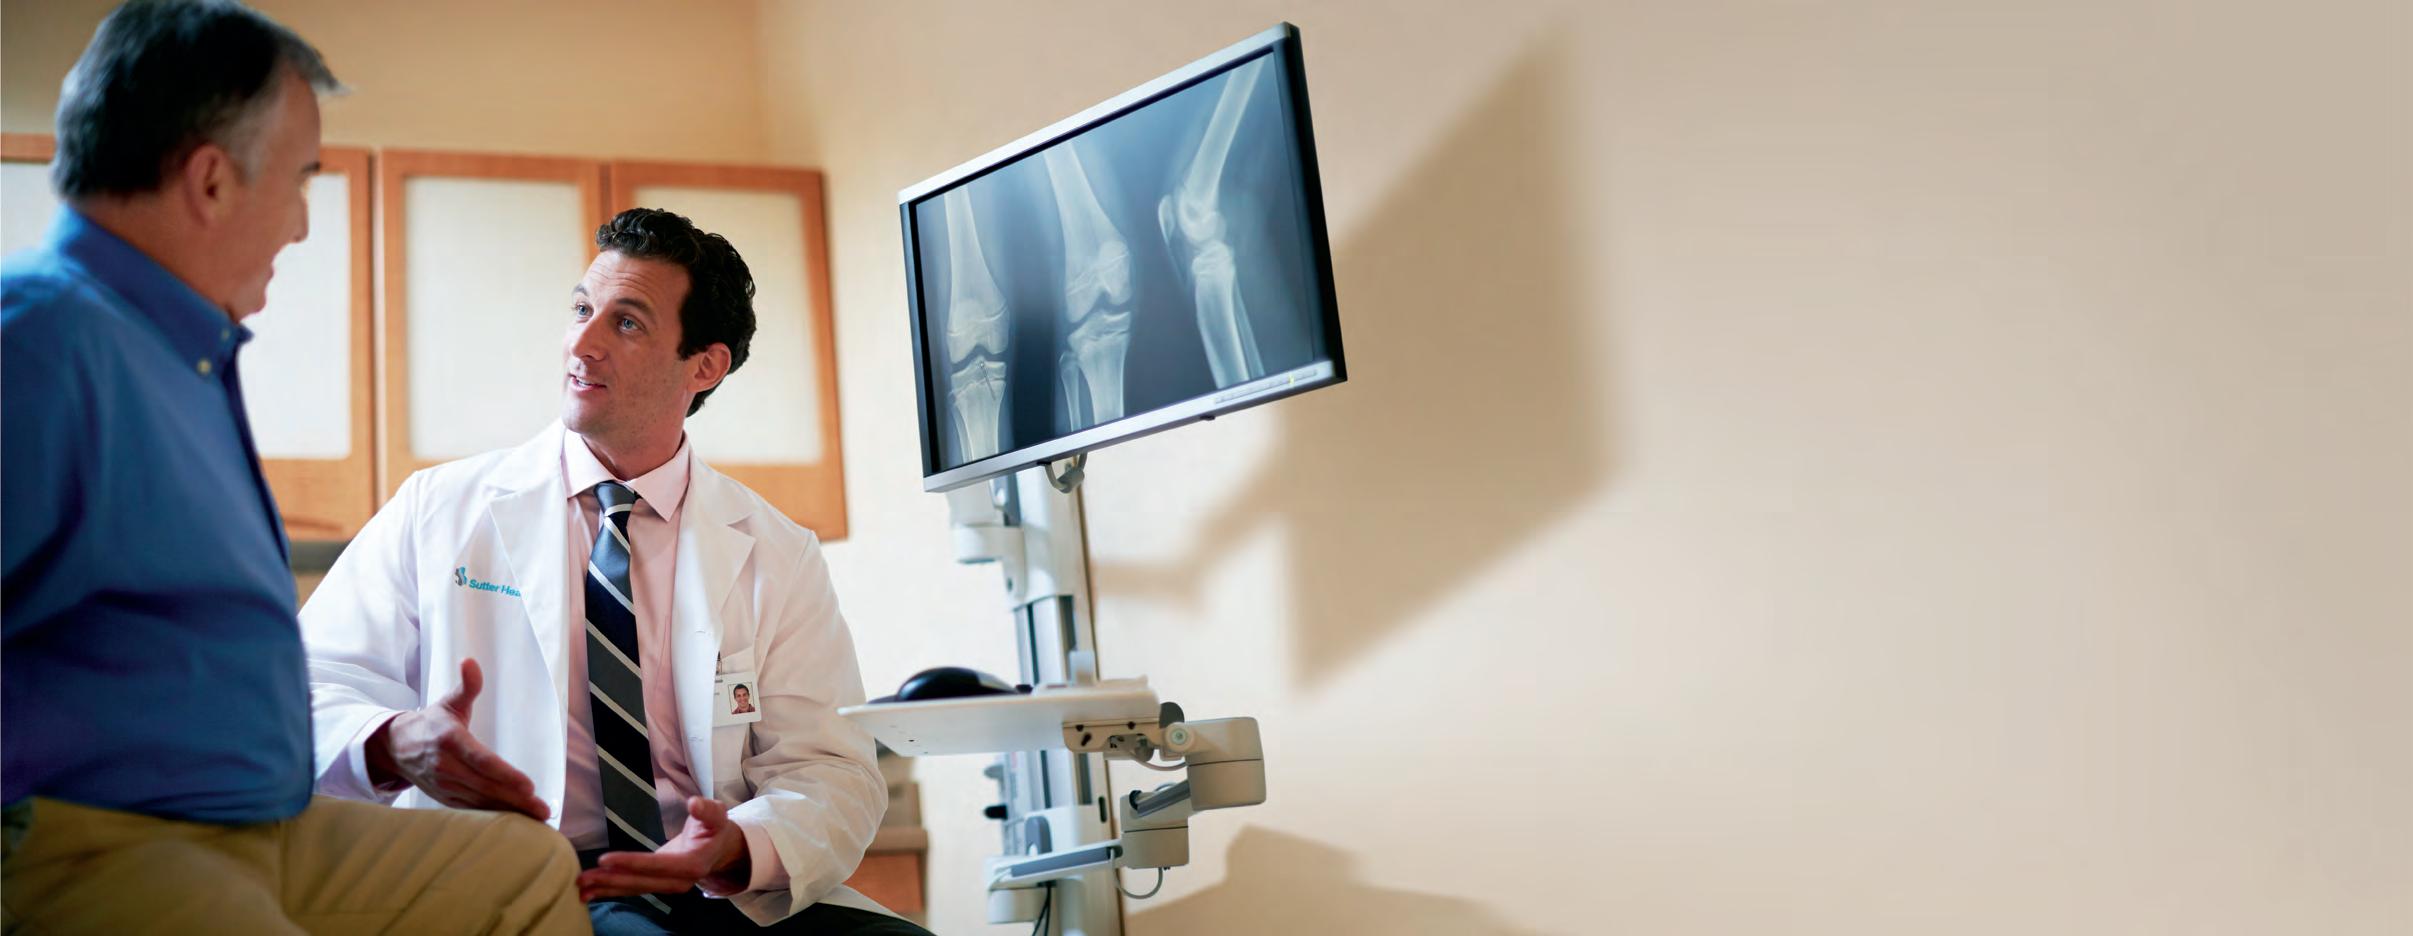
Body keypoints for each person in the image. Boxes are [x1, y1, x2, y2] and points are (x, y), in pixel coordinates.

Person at [0, 2, 583, 932]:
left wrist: (385, 748)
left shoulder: (178, 357)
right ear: (210, 181)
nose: (304, 226)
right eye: (301, 179)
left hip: (259, 824)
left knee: (528, 869)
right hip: (102, 840)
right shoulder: (38, 341)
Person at [301, 207, 933, 935]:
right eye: (581, 310)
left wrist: (737, 846)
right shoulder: (438, 510)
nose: (581, 343)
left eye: (625, 323)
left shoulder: (776, 551)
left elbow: (831, 771)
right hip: (518, 885)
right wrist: (393, 740)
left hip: (715, 891)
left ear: (704, 366)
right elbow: (306, 687)